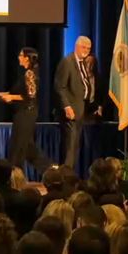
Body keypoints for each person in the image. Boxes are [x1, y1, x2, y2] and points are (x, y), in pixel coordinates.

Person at [0, 47, 52, 174]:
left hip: (27, 113)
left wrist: (11, 97)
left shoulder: (30, 73)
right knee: (27, 147)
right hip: (23, 112)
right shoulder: (27, 73)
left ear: (27, 58)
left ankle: (14, 176)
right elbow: (13, 94)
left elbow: (30, 95)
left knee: (18, 146)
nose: (18, 57)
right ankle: (50, 170)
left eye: (21, 55)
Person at [54, 36, 96, 167]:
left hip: (81, 111)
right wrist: (66, 107)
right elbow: (59, 87)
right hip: (70, 112)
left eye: (89, 48)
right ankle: (66, 177)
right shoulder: (67, 62)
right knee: (70, 147)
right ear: (76, 46)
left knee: (74, 147)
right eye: (84, 47)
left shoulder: (82, 63)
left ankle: (68, 174)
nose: (86, 51)